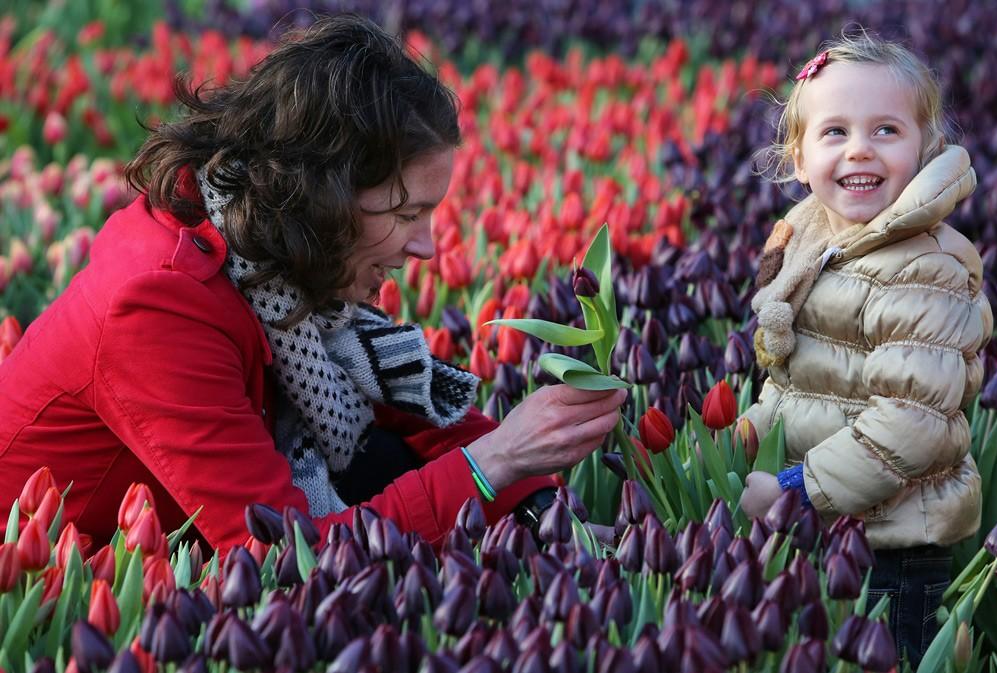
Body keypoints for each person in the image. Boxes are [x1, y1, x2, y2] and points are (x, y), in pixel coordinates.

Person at [0, 15, 625, 553]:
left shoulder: (270, 259)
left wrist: (538, 508)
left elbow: (408, 419)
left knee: (374, 452)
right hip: (54, 574)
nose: (428, 247)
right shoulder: (160, 304)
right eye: (407, 215)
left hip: (172, 534)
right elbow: (277, 553)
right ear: (322, 196)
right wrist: (495, 464)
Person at [737, 32, 991, 668]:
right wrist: (745, 439)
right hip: (822, 522)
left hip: (892, 548)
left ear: (925, 145)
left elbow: (910, 426)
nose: (860, 149)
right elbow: (795, 381)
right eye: (835, 132)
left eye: (885, 130)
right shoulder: (812, 239)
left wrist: (795, 487)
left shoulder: (923, 270)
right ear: (797, 157)